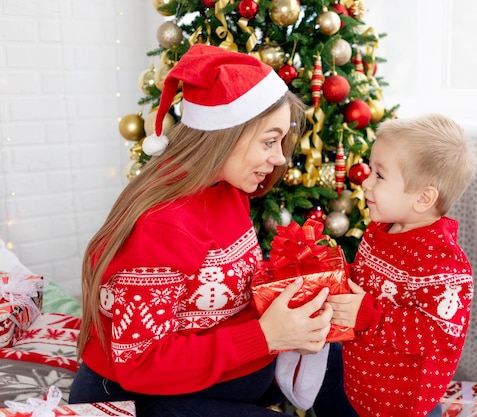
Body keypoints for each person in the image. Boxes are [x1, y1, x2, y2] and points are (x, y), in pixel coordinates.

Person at [69, 44, 355, 417]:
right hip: (142, 396)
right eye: (269, 141)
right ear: (225, 135)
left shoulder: (228, 190)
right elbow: (140, 361)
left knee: (344, 357)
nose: (280, 158)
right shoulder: (162, 222)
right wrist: (267, 336)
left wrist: (299, 303)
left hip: (222, 381)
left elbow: (221, 287)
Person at [328, 114, 477, 417]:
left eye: (379, 176)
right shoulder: (381, 229)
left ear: (423, 198)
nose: (366, 182)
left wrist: (369, 316)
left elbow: (438, 333)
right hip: (360, 384)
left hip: (400, 405)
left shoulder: (444, 263)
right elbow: (369, 282)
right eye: (370, 170)